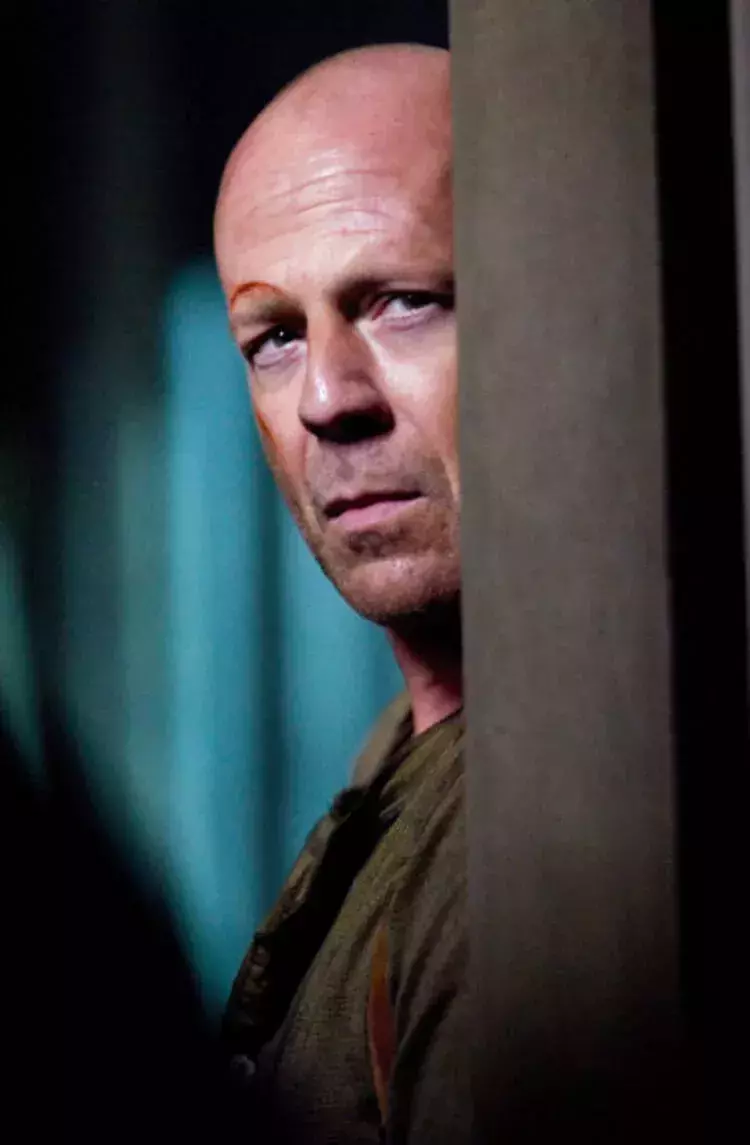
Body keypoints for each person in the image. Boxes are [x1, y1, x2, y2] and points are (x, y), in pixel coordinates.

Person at [213, 42, 468, 1143]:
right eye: (275, 336)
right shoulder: (399, 748)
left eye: (403, 301)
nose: (326, 396)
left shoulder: (571, 808)